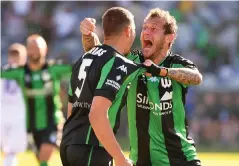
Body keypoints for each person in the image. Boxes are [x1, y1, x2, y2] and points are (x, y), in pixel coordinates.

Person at [80, 8, 203, 166]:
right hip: (142, 161)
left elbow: (196, 77)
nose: (146, 32)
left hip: (181, 158)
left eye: (153, 29)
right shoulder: (131, 60)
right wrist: (88, 35)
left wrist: (161, 71)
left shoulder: (176, 64)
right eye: (144, 27)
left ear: (169, 37)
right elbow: (96, 54)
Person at [60, 7, 165, 166]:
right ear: (129, 31)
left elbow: (71, 110)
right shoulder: (118, 63)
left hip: (69, 144)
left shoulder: (83, 59)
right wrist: (120, 158)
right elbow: (96, 114)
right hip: (92, 148)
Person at [1, 35, 72, 166]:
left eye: (38, 48)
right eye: (31, 48)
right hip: (31, 124)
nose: (35, 51)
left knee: (44, 157)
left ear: (45, 50)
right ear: (27, 50)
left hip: (52, 121)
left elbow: (77, 69)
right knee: (41, 161)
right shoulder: (19, 72)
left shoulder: (53, 69)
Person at [1, 43, 27, 166]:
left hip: (18, 116)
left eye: (18, 56)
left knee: (12, 150)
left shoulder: (27, 74)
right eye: (13, 56)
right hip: (3, 114)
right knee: (5, 147)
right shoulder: (3, 73)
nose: (15, 59)